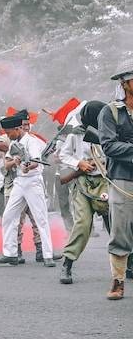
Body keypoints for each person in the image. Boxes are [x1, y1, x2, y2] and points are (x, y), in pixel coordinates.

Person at [0, 114, 56, 267]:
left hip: (33, 181)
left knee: (40, 218)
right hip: (19, 182)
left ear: (17, 128)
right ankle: (10, 253)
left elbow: (35, 162)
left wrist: (28, 166)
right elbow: (6, 165)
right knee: (9, 216)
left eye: (9, 133)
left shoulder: (32, 141)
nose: (7, 136)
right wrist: (14, 161)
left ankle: (48, 255)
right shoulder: (14, 142)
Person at [58, 101, 110, 284]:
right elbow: (64, 155)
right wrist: (79, 163)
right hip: (82, 184)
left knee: (117, 226)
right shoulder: (75, 134)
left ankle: (129, 264)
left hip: (105, 183)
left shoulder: (109, 131)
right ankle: (67, 264)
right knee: (81, 224)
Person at [98, 58, 133, 300]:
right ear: (125, 83)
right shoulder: (110, 111)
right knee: (120, 231)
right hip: (122, 177)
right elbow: (109, 146)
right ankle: (118, 281)